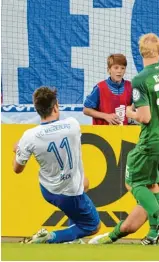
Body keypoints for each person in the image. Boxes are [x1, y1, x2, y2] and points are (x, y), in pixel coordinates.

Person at [14, 86, 100, 244]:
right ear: (56, 106)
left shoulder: (29, 136)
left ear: (37, 109)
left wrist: (18, 149)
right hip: (70, 192)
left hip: (48, 190)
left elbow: (17, 169)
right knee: (93, 226)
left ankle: (71, 236)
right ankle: (50, 238)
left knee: (84, 183)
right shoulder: (73, 124)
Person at [123, 33, 159, 245]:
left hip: (154, 139)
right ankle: (153, 234)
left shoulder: (139, 79)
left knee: (134, 180)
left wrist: (130, 113)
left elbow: (145, 117)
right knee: (152, 182)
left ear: (140, 52)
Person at [83, 54, 133, 125]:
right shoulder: (100, 87)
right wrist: (106, 116)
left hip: (124, 133)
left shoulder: (130, 87)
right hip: (103, 133)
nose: (119, 71)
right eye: (116, 68)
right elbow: (86, 110)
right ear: (109, 70)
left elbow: (137, 108)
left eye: (122, 68)